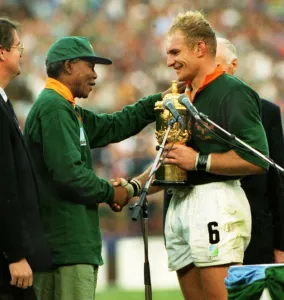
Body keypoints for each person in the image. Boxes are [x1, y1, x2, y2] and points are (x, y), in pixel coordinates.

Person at [114, 11, 269, 299]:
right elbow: (173, 158)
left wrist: (198, 160)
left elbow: (258, 158)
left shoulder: (233, 92)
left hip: (217, 201)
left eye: (175, 52)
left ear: (200, 48)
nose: (169, 61)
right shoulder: (178, 96)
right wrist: (135, 186)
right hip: (180, 201)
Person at [23, 36, 179, 300]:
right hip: (65, 247)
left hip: (69, 245)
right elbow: (69, 174)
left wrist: (158, 101)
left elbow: (114, 125)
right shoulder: (53, 108)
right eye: (90, 66)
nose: (95, 75)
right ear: (70, 66)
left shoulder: (67, 109)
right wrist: (112, 192)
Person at [215, 37, 284, 264]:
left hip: (257, 233)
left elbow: (278, 180)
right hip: (211, 230)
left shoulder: (266, 111)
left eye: (217, 64)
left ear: (233, 65)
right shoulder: (193, 110)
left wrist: (282, 243)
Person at [0, 17, 51, 300]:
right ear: (1, 51)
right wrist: (15, 254)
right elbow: (4, 184)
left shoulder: (3, 101)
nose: (22, 52)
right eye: (18, 46)